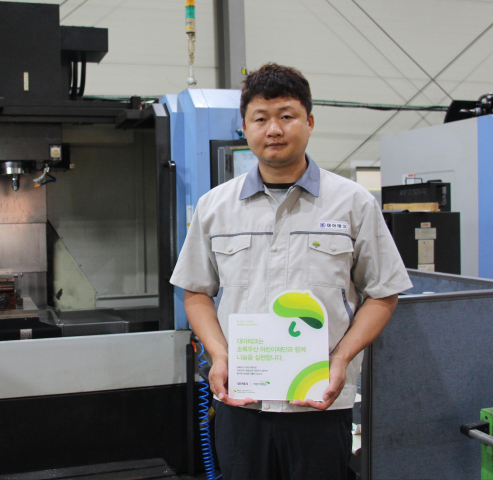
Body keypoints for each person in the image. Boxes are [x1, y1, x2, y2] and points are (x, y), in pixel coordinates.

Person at [170, 63, 412, 480]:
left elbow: (383, 293)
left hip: (318, 402)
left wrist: (341, 358)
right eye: (260, 119)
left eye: (286, 116)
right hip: (242, 402)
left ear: (310, 122)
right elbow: (196, 292)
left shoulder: (353, 203)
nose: (274, 129)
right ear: (244, 127)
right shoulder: (215, 206)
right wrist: (220, 354)